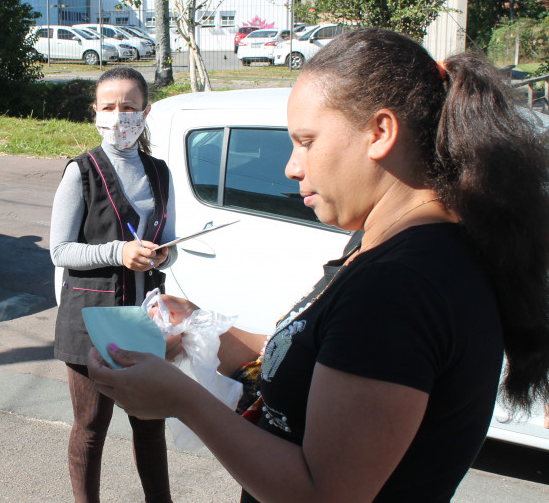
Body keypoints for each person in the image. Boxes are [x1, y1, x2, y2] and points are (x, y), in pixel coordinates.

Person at [87, 28, 549, 502]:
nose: (291, 166)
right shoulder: (384, 243)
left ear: (380, 132)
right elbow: (321, 360)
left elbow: (324, 493)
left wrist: (181, 399)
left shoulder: (400, 285)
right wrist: (199, 328)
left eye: (305, 141)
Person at [50, 66, 176, 502]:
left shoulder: (160, 173)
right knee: (90, 427)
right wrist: (118, 252)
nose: (119, 116)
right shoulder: (80, 172)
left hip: (141, 321)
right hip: (89, 319)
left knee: (150, 425)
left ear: (144, 112)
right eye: (109, 107)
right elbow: (60, 250)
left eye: (128, 107)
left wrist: (163, 253)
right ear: (95, 113)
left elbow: (169, 241)